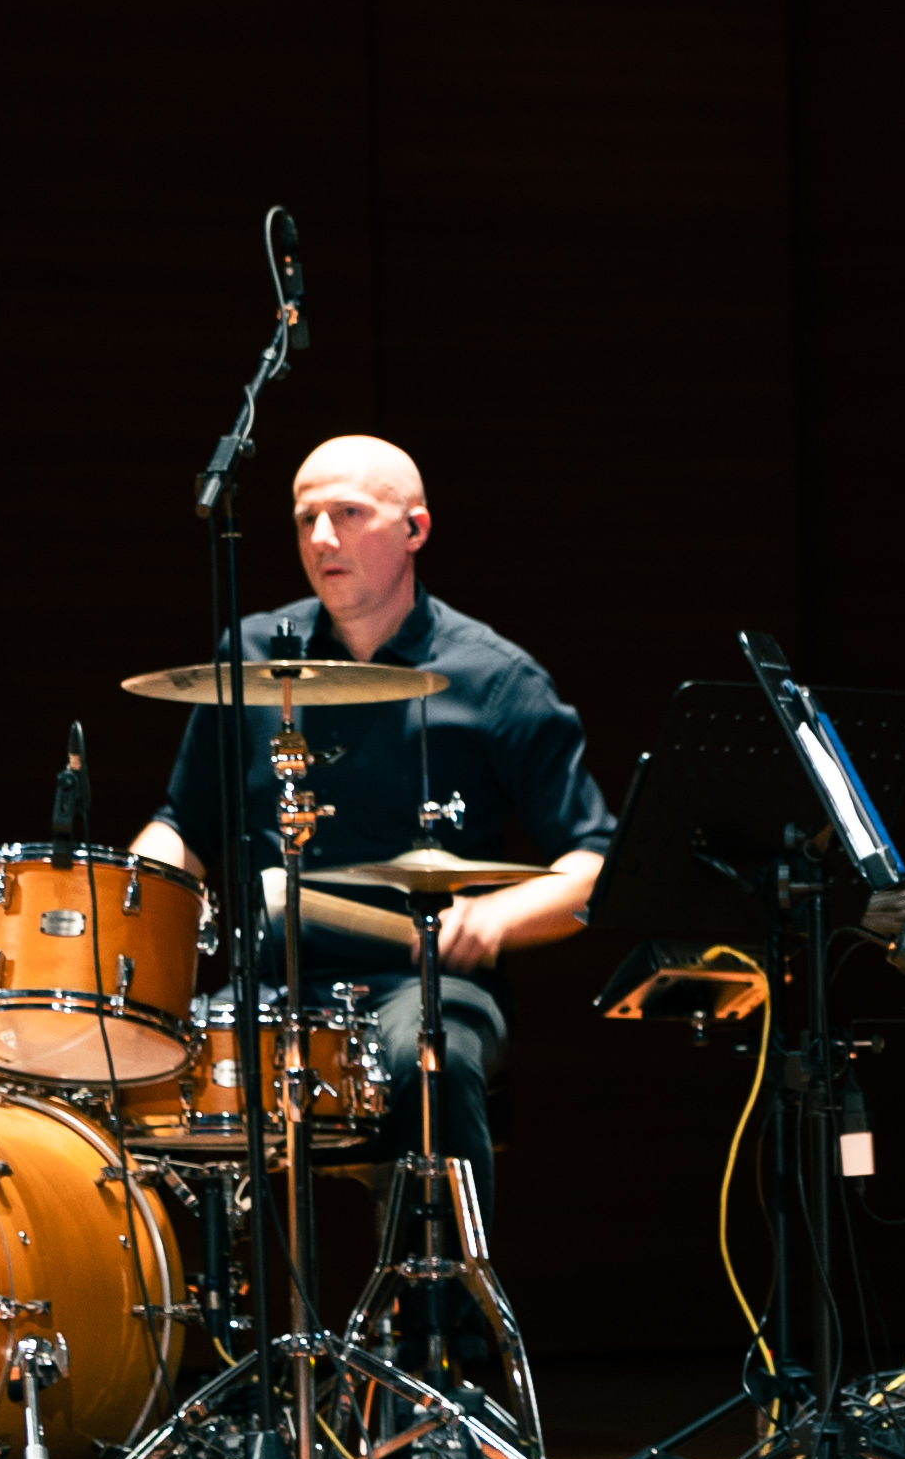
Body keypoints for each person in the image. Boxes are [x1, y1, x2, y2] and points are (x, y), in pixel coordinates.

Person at [134, 434, 612, 1190]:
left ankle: (440, 1268)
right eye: (306, 519)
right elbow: (184, 826)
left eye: (348, 514)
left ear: (415, 529)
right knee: (135, 1065)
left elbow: (594, 864)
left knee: (429, 1060)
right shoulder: (252, 656)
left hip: (421, 986)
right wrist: (122, 898)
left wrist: (493, 919)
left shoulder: (494, 678)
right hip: (270, 984)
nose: (322, 538)